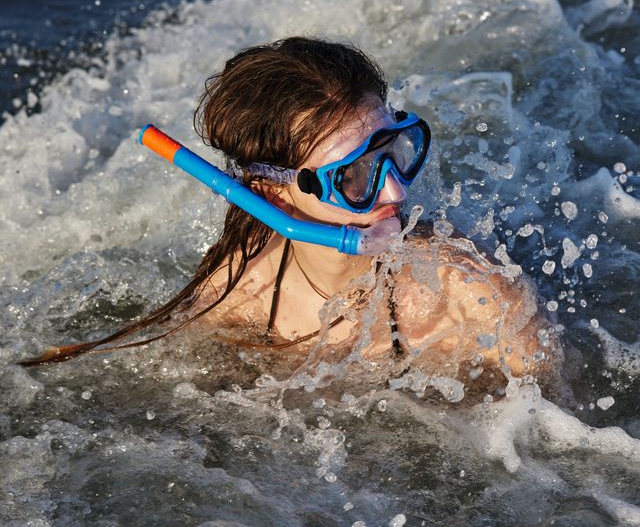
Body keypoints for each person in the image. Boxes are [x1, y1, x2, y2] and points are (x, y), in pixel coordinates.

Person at [21, 36, 558, 393]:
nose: (394, 189)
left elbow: (562, 434)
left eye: (394, 150)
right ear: (274, 196)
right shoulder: (244, 288)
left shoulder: (473, 297)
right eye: (353, 176)